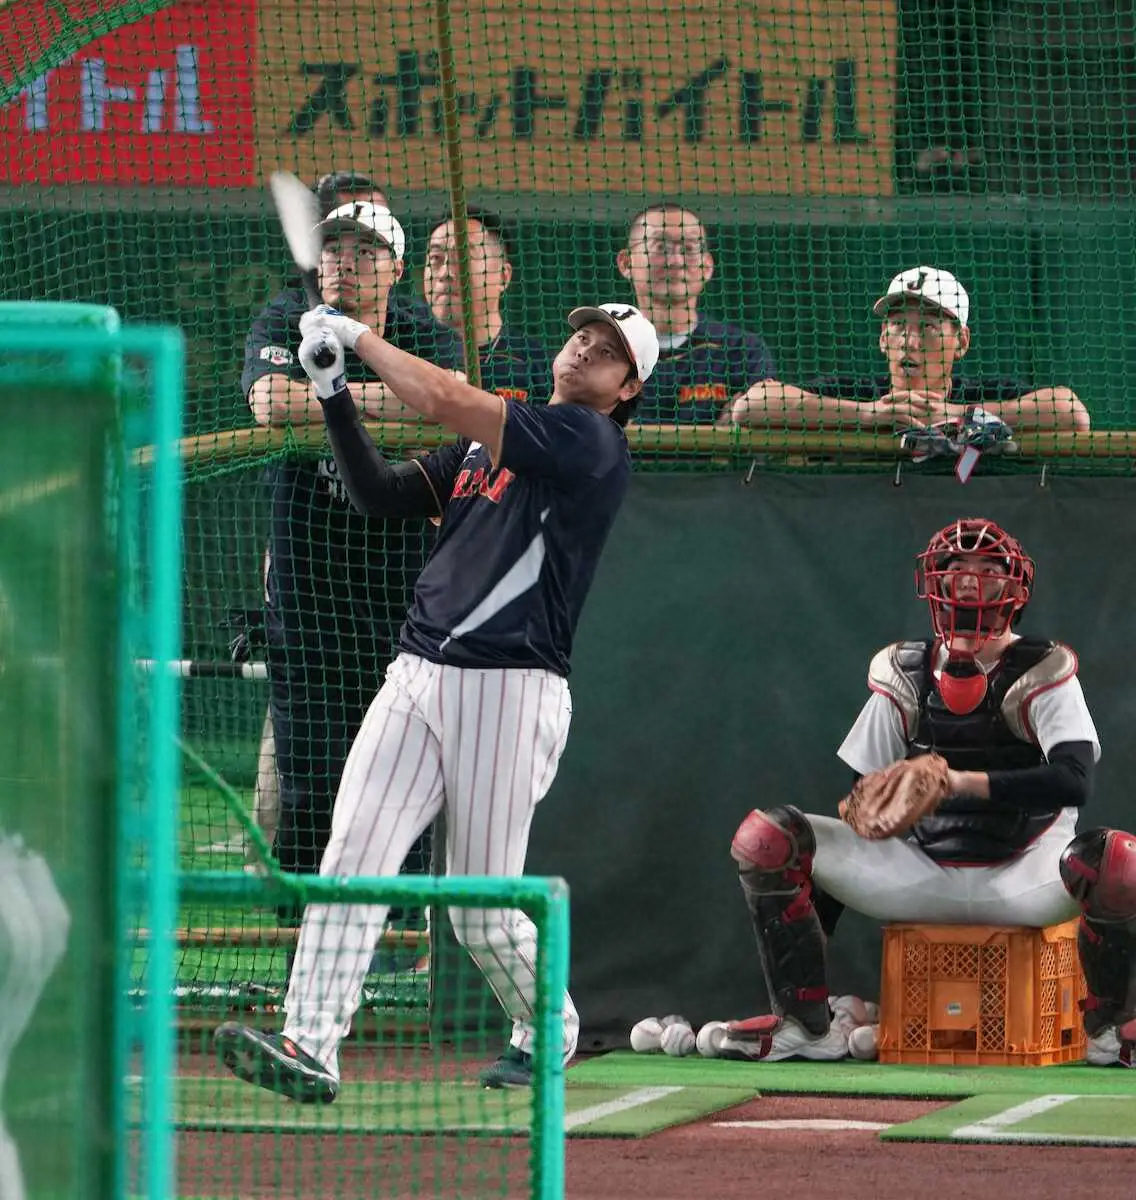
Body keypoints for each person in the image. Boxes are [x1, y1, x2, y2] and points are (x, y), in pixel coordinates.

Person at [214, 299, 660, 1099]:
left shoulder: (591, 442)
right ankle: (309, 1044)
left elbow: (447, 398)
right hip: (416, 671)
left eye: (608, 351)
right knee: (350, 862)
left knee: (480, 912)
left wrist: (354, 338)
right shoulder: (492, 439)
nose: (586, 348)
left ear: (626, 388)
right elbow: (379, 494)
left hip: (510, 686)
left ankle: (547, 1025)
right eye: (583, 335)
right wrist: (332, 396)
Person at [711, 517, 1134, 1068]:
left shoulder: (1044, 668)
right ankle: (805, 1024)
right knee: (768, 837)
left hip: (1024, 877)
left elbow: (1075, 780)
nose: (970, 581)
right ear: (934, 581)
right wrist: (881, 806)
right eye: (958, 569)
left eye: (988, 569)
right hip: (918, 871)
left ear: (1015, 588)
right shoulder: (905, 669)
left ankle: (1106, 1033)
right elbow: (865, 794)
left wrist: (955, 783)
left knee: (1120, 862)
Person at [241, 198, 461, 889]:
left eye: (366, 253)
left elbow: (446, 406)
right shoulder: (286, 315)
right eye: (334, 250)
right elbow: (272, 403)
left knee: (402, 766)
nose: (347, 264)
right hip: (308, 591)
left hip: (403, 590)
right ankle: (302, 926)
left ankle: (399, 932)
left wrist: (336, 390)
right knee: (307, 769)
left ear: (397, 269)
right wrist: (386, 400)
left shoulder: (427, 329)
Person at [729, 266, 1091, 432]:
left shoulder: (983, 395)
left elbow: (1071, 411)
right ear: (883, 339)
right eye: (899, 325)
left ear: (961, 342)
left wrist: (959, 415)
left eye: (929, 328)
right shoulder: (857, 394)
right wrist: (868, 415)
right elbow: (752, 405)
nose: (910, 340)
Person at [615, 203, 775, 424]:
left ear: (708, 266)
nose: (676, 262)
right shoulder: (602, 350)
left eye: (689, 249)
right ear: (626, 262)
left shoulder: (741, 350)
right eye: (660, 248)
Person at [423, 206, 551, 401]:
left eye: (464, 256)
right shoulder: (405, 352)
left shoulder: (537, 365)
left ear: (503, 276)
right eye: (435, 258)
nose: (445, 273)